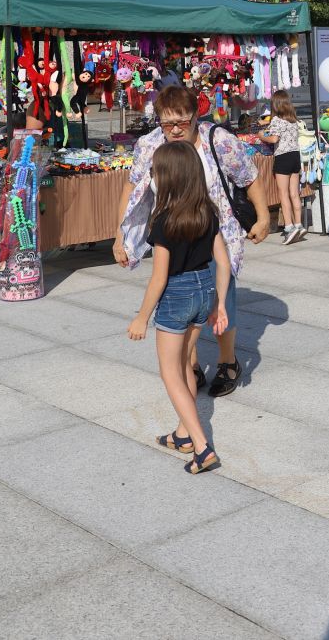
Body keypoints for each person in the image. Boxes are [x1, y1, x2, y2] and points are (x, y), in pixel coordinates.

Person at [115, 86, 271, 399]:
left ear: (195, 117)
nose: (173, 130)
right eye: (166, 123)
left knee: (221, 299)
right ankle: (193, 364)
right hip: (172, 238)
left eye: (181, 123)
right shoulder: (149, 145)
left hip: (214, 233)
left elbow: (248, 176)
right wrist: (120, 236)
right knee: (181, 301)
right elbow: (131, 189)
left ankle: (227, 361)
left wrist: (263, 216)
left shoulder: (217, 139)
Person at [126, 141, 229, 475]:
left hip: (176, 295)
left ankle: (201, 447)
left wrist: (142, 317)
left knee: (170, 371)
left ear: (167, 178)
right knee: (186, 360)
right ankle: (184, 434)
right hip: (203, 289)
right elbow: (223, 263)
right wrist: (220, 303)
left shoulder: (164, 222)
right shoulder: (208, 212)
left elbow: (159, 278)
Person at [262, 90, 306, 245]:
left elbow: (274, 139)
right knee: (295, 193)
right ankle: (299, 224)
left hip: (283, 157)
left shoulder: (276, 120)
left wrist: (261, 136)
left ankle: (288, 227)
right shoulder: (294, 121)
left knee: (283, 194)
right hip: (295, 156)